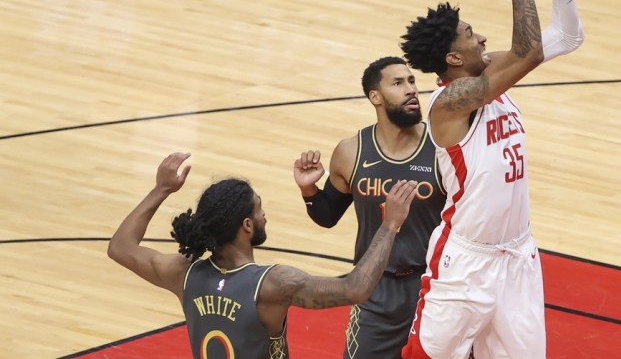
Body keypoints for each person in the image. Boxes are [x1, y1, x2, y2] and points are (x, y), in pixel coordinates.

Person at [400, 0, 584, 357]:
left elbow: (568, 36)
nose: (481, 37)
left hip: (517, 256)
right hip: (466, 262)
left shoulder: (495, 73)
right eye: (470, 35)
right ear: (452, 57)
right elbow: (529, 49)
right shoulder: (448, 103)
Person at [108, 152, 418, 359]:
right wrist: (390, 224)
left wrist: (162, 189)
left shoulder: (183, 273)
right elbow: (356, 289)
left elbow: (120, 247)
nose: (264, 214)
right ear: (246, 225)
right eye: (259, 208)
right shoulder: (273, 284)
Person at [293, 56, 447, 359]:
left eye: (412, 81)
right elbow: (327, 216)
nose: (411, 90)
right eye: (398, 83)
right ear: (375, 97)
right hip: (374, 289)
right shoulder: (351, 151)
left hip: (433, 288)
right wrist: (308, 189)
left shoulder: (442, 147)